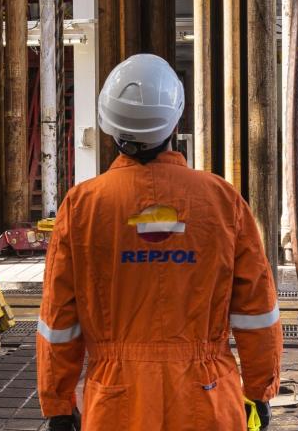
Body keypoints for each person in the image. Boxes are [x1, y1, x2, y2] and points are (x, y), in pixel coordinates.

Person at [37, 54, 283, 430]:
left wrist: (57, 402)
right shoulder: (221, 200)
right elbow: (256, 311)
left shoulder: (83, 206)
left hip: (115, 400)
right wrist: (259, 391)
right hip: (207, 395)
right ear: (176, 120)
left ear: (109, 126)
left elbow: (59, 319)